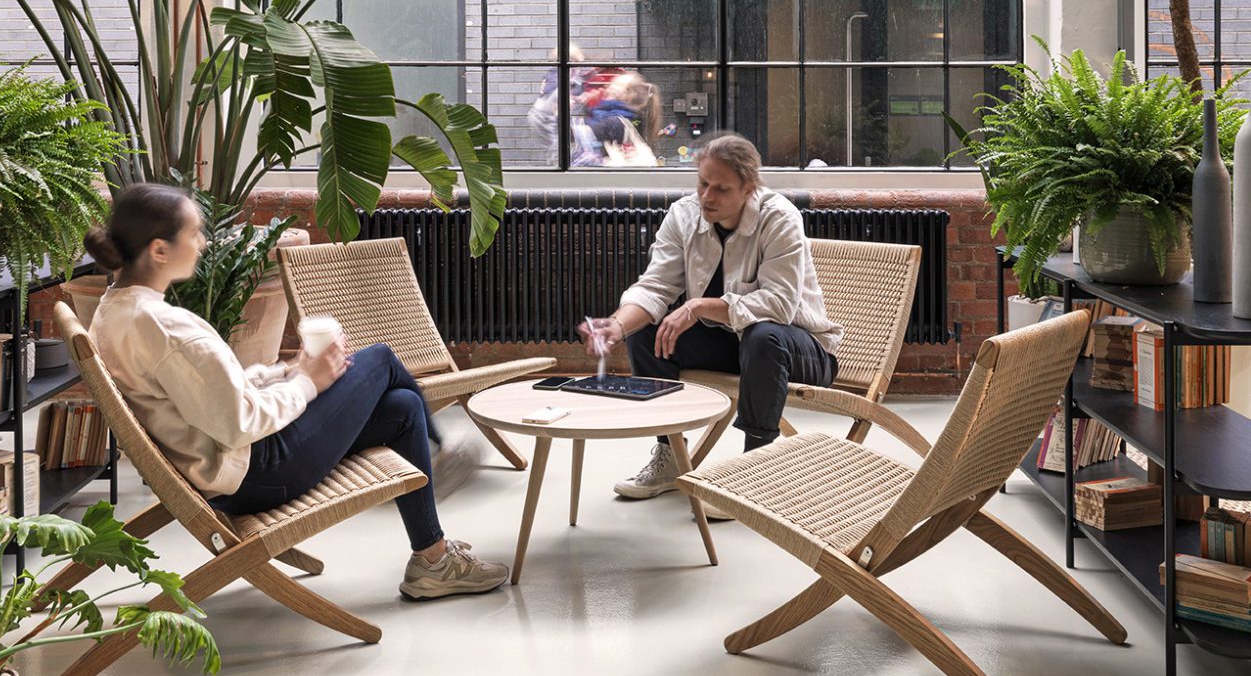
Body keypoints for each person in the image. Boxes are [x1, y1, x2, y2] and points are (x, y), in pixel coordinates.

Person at [85, 183, 509, 600]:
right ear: (159, 250)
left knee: (400, 407)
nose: (202, 241)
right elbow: (240, 423)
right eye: (194, 232)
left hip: (232, 466)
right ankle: (443, 465)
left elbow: (212, 398)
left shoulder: (114, 313)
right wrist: (310, 382)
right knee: (379, 359)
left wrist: (288, 372)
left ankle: (431, 557)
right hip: (256, 473)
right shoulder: (167, 328)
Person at [578, 133, 841, 503]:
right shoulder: (683, 216)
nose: (707, 196)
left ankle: (755, 468)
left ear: (748, 188)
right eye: (703, 183)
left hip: (799, 351)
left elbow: (780, 305)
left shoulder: (779, 218)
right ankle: (670, 453)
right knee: (647, 331)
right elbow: (655, 288)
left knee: (764, 336)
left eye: (721, 189)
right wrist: (618, 325)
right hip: (733, 348)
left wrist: (698, 307)